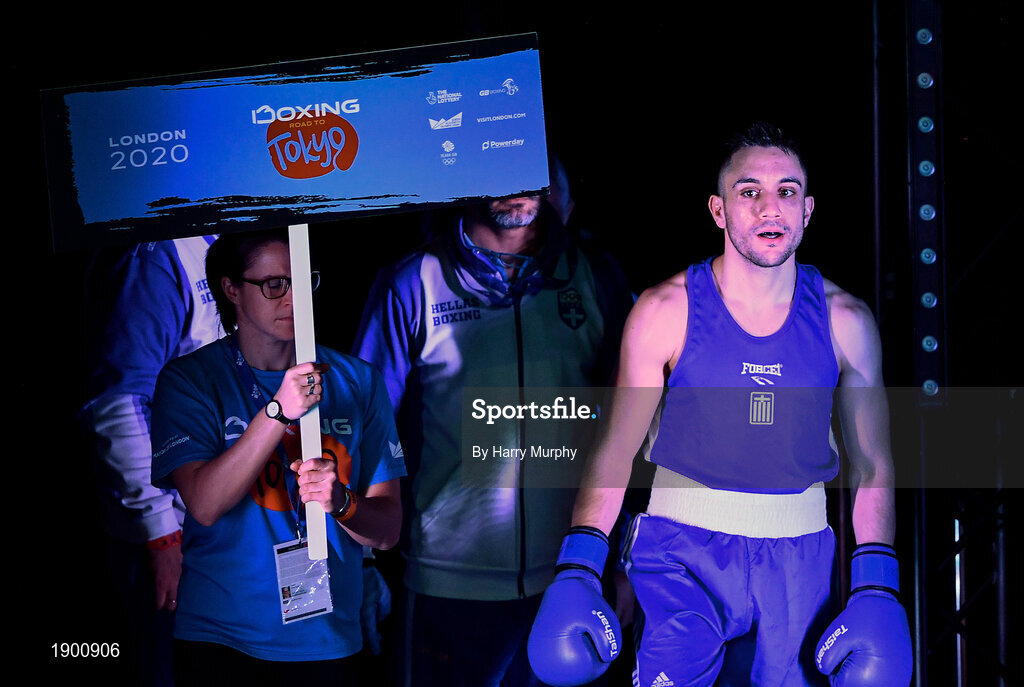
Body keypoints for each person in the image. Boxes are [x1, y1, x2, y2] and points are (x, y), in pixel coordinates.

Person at [528, 123, 913, 687]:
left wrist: (878, 583)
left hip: (800, 556)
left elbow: (873, 463)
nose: (769, 208)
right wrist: (579, 566)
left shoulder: (846, 322)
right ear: (718, 210)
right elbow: (614, 452)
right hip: (681, 552)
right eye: (749, 191)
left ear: (807, 209)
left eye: (786, 191)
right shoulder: (665, 312)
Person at [353, 185, 634, 686]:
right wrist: (361, 562)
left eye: (533, 166)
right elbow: (367, 434)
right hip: (447, 588)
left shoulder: (596, 276)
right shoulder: (411, 281)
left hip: (569, 581)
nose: (519, 183)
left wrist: (625, 559)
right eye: (504, 163)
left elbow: (632, 430)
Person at [150, 228, 406, 685]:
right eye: (274, 285)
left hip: (328, 642)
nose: (293, 298)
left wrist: (342, 502)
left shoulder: (358, 380)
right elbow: (205, 505)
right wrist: (277, 412)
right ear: (231, 289)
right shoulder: (189, 380)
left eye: (303, 281)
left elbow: (387, 533)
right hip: (222, 640)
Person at [79, 234, 221, 686]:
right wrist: (161, 534)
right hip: (168, 537)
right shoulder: (158, 256)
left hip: (212, 526)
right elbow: (118, 403)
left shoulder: (225, 236)